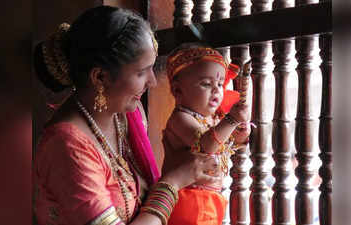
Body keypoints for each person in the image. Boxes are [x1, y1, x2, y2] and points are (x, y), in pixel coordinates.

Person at [33, 6, 220, 225]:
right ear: (100, 77)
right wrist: (173, 181)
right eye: (142, 72)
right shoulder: (66, 146)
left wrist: (178, 166)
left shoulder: (124, 116)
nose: (153, 81)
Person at [162, 44, 251, 225]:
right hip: (187, 199)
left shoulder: (210, 120)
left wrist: (239, 134)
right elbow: (205, 147)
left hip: (210, 197)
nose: (217, 90)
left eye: (219, 84)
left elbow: (223, 145)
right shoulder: (180, 118)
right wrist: (231, 120)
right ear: (178, 90)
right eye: (206, 84)